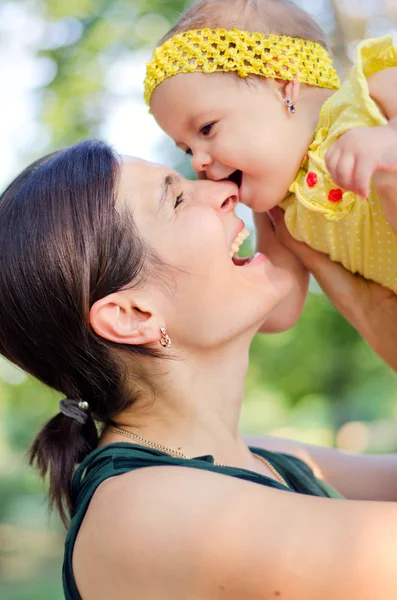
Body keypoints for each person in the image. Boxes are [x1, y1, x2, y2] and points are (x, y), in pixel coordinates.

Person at [2, 140, 397, 600]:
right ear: (133, 315)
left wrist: (363, 302)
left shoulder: (258, 457)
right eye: (176, 199)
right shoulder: (146, 512)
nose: (223, 189)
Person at [145, 0, 397, 303]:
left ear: (282, 84)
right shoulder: (278, 209)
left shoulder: (368, 99)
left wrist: (388, 137)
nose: (197, 161)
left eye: (206, 129)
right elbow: (280, 306)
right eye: (187, 150)